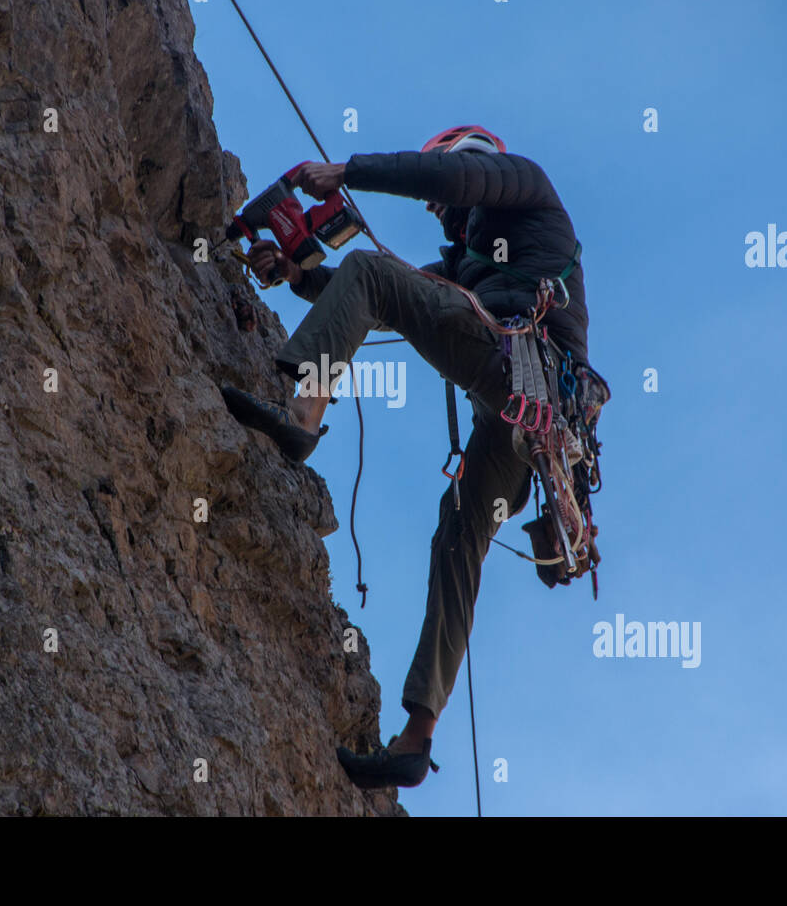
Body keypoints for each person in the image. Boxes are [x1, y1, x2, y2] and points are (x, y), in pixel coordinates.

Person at [221, 125, 589, 788]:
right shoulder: (470, 263)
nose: (439, 212)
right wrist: (299, 273)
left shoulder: (522, 187)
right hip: (525, 423)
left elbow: (449, 186)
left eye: (444, 195)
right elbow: (393, 295)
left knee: (370, 270)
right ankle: (416, 739)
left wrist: (347, 172)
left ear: (471, 160)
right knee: (457, 538)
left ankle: (304, 416)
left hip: (520, 373)